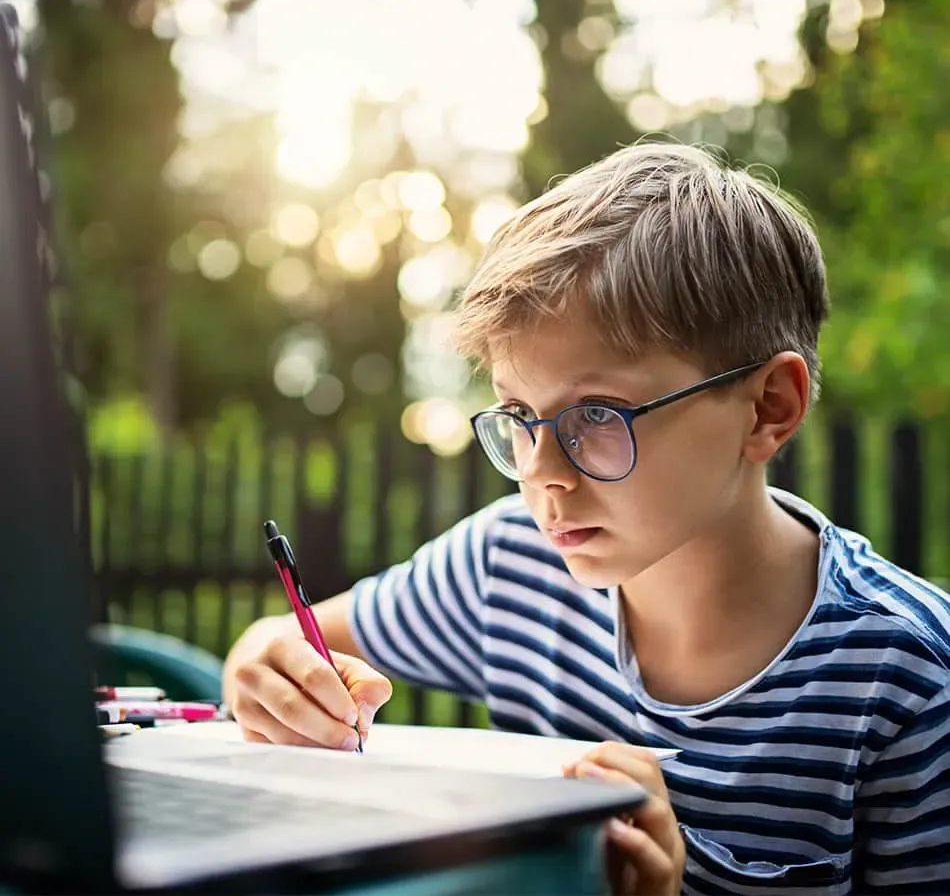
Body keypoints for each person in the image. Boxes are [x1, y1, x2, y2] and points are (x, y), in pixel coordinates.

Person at [223, 142, 950, 895]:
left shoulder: (911, 682)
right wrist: (271, 674)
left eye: (598, 414)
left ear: (769, 408)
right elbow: (281, 644)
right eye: (518, 415)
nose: (540, 474)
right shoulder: (507, 566)